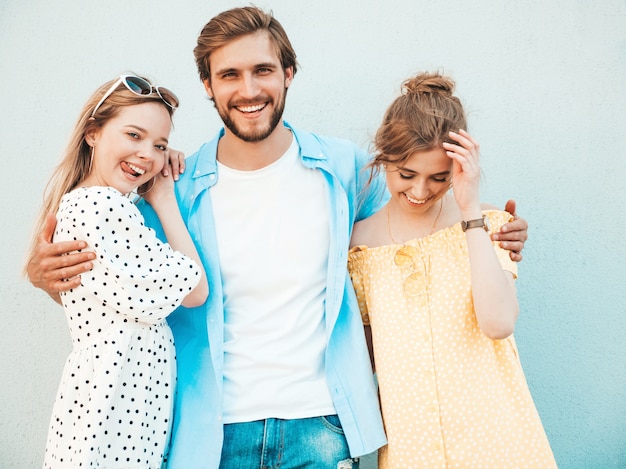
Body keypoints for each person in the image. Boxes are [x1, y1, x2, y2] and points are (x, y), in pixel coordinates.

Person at [26, 7, 529, 469]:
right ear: (208, 85)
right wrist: (44, 276)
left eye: (262, 70)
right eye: (229, 74)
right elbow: (120, 273)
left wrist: (487, 230)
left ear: (288, 74)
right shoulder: (171, 187)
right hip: (212, 436)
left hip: (324, 428)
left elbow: (414, 217)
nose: (249, 89)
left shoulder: (344, 170)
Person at [347, 71, 556, 468]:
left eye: (439, 178)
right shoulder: (359, 246)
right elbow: (365, 359)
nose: (420, 191)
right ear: (384, 157)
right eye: (406, 175)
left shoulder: (488, 225)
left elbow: (497, 324)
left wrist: (470, 208)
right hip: (413, 447)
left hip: (499, 441)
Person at [26, 74, 209, 468]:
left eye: (159, 145)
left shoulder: (98, 206)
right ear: (93, 133)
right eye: (133, 135)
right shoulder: (102, 208)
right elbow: (195, 289)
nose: (147, 154)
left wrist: (149, 156)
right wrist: (164, 199)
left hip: (116, 407)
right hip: (112, 412)